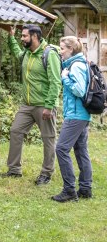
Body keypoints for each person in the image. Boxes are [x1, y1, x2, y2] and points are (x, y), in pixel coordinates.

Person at [1, 24, 62, 185]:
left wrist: (49, 106)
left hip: (44, 104)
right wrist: (11, 37)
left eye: (24, 36)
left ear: (34, 36)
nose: (22, 39)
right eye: (21, 36)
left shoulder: (49, 54)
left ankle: (46, 173)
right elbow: (16, 53)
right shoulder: (27, 53)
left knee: (48, 138)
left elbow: (56, 82)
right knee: (15, 131)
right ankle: (14, 170)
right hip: (27, 105)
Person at [51, 36, 93, 202]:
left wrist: (64, 77)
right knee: (81, 150)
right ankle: (85, 188)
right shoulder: (79, 63)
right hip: (81, 114)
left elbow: (79, 90)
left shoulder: (75, 66)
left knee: (61, 149)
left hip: (76, 115)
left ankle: (69, 190)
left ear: (71, 49)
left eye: (62, 49)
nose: (61, 52)